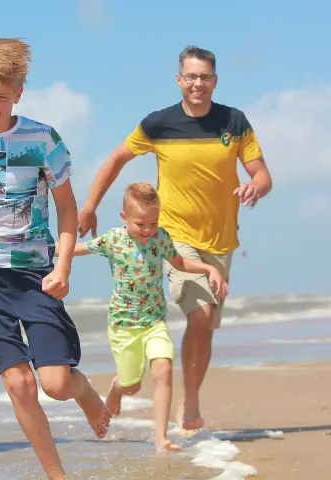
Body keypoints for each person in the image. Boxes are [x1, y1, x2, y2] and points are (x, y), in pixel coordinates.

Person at [0, 38, 111, 480]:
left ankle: (85, 392)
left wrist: (63, 266)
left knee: (56, 385)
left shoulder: (42, 139)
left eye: (1, 97)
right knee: (19, 383)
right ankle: (56, 474)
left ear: (18, 94)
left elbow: (67, 209)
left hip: (36, 276)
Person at [76, 45, 273, 433]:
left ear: (215, 81)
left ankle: (190, 397)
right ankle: (188, 401)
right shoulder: (159, 124)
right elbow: (116, 159)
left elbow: (263, 174)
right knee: (200, 313)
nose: (198, 83)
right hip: (173, 236)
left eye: (205, 77)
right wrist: (89, 207)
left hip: (220, 240)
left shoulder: (234, 122)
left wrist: (256, 187)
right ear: (179, 80)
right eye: (191, 76)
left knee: (205, 326)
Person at [59, 182, 228, 452]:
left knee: (163, 370)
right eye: (140, 224)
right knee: (131, 386)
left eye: (153, 223)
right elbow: (76, 249)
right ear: (124, 217)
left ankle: (160, 436)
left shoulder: (161, 239)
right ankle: (117, 388)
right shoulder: (113, 240)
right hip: (123, 326)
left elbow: (180, 263)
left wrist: (209, 269)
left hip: (154, 322)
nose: (148, 230)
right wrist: (45, 250)